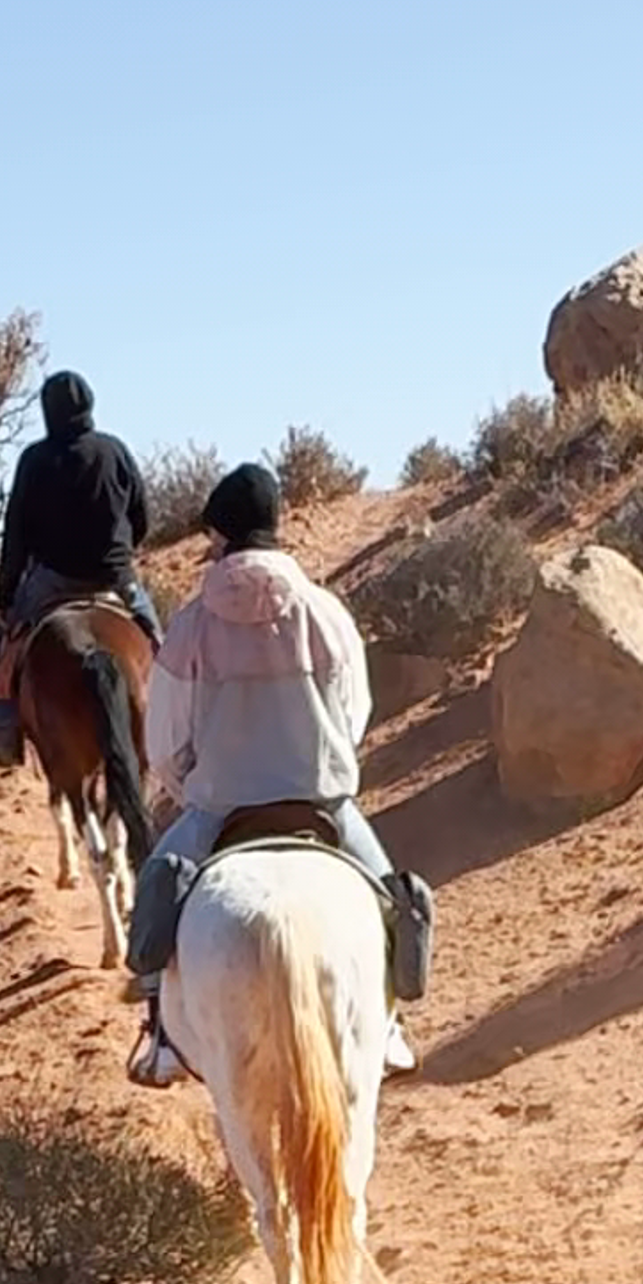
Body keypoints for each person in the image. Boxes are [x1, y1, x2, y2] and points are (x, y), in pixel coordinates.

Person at [123, 461, 419, 1084]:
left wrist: (189, 787)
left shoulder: (192, 625)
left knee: (155, 889)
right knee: (393, 896)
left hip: (221, 812)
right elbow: (354, 711)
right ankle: (390, 1026)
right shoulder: (325, 612)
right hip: (321, 805)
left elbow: (166, 739)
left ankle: (160, 1036)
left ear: (220, 537)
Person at [0, 369, 155, 757]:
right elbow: (142, 515)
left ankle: (3, 733)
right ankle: (184, 723)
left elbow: (16, 535)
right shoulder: (115, 450)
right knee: (160, 644)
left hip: (53, 582)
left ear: (48, 412)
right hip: (115, 578)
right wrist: (124, 551)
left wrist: (6, 596)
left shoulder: (34, 459)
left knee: (5, 646)